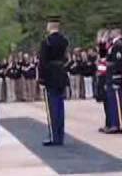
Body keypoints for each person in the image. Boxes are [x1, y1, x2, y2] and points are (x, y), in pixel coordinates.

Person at [39, 15, 69, 146]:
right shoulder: (64, 40)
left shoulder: (46, 42)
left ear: (50, 26)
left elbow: (43, 62)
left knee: (52, 108)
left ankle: (54, 136)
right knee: (60, 107)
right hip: (61, 74)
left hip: (50, 75)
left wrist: (41, 79)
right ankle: (60, 135)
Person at [100, 28, 122, 134]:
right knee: (111, 101)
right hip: (110, 75)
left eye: (112, 32)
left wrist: (117, 75)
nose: (110, 34)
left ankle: (118, 124)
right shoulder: (112, 45)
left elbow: (119, 61)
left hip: (115, 75)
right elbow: (104, 57)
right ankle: (112, 123)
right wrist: (102, 43)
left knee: (116, 100)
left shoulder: (118, 44)